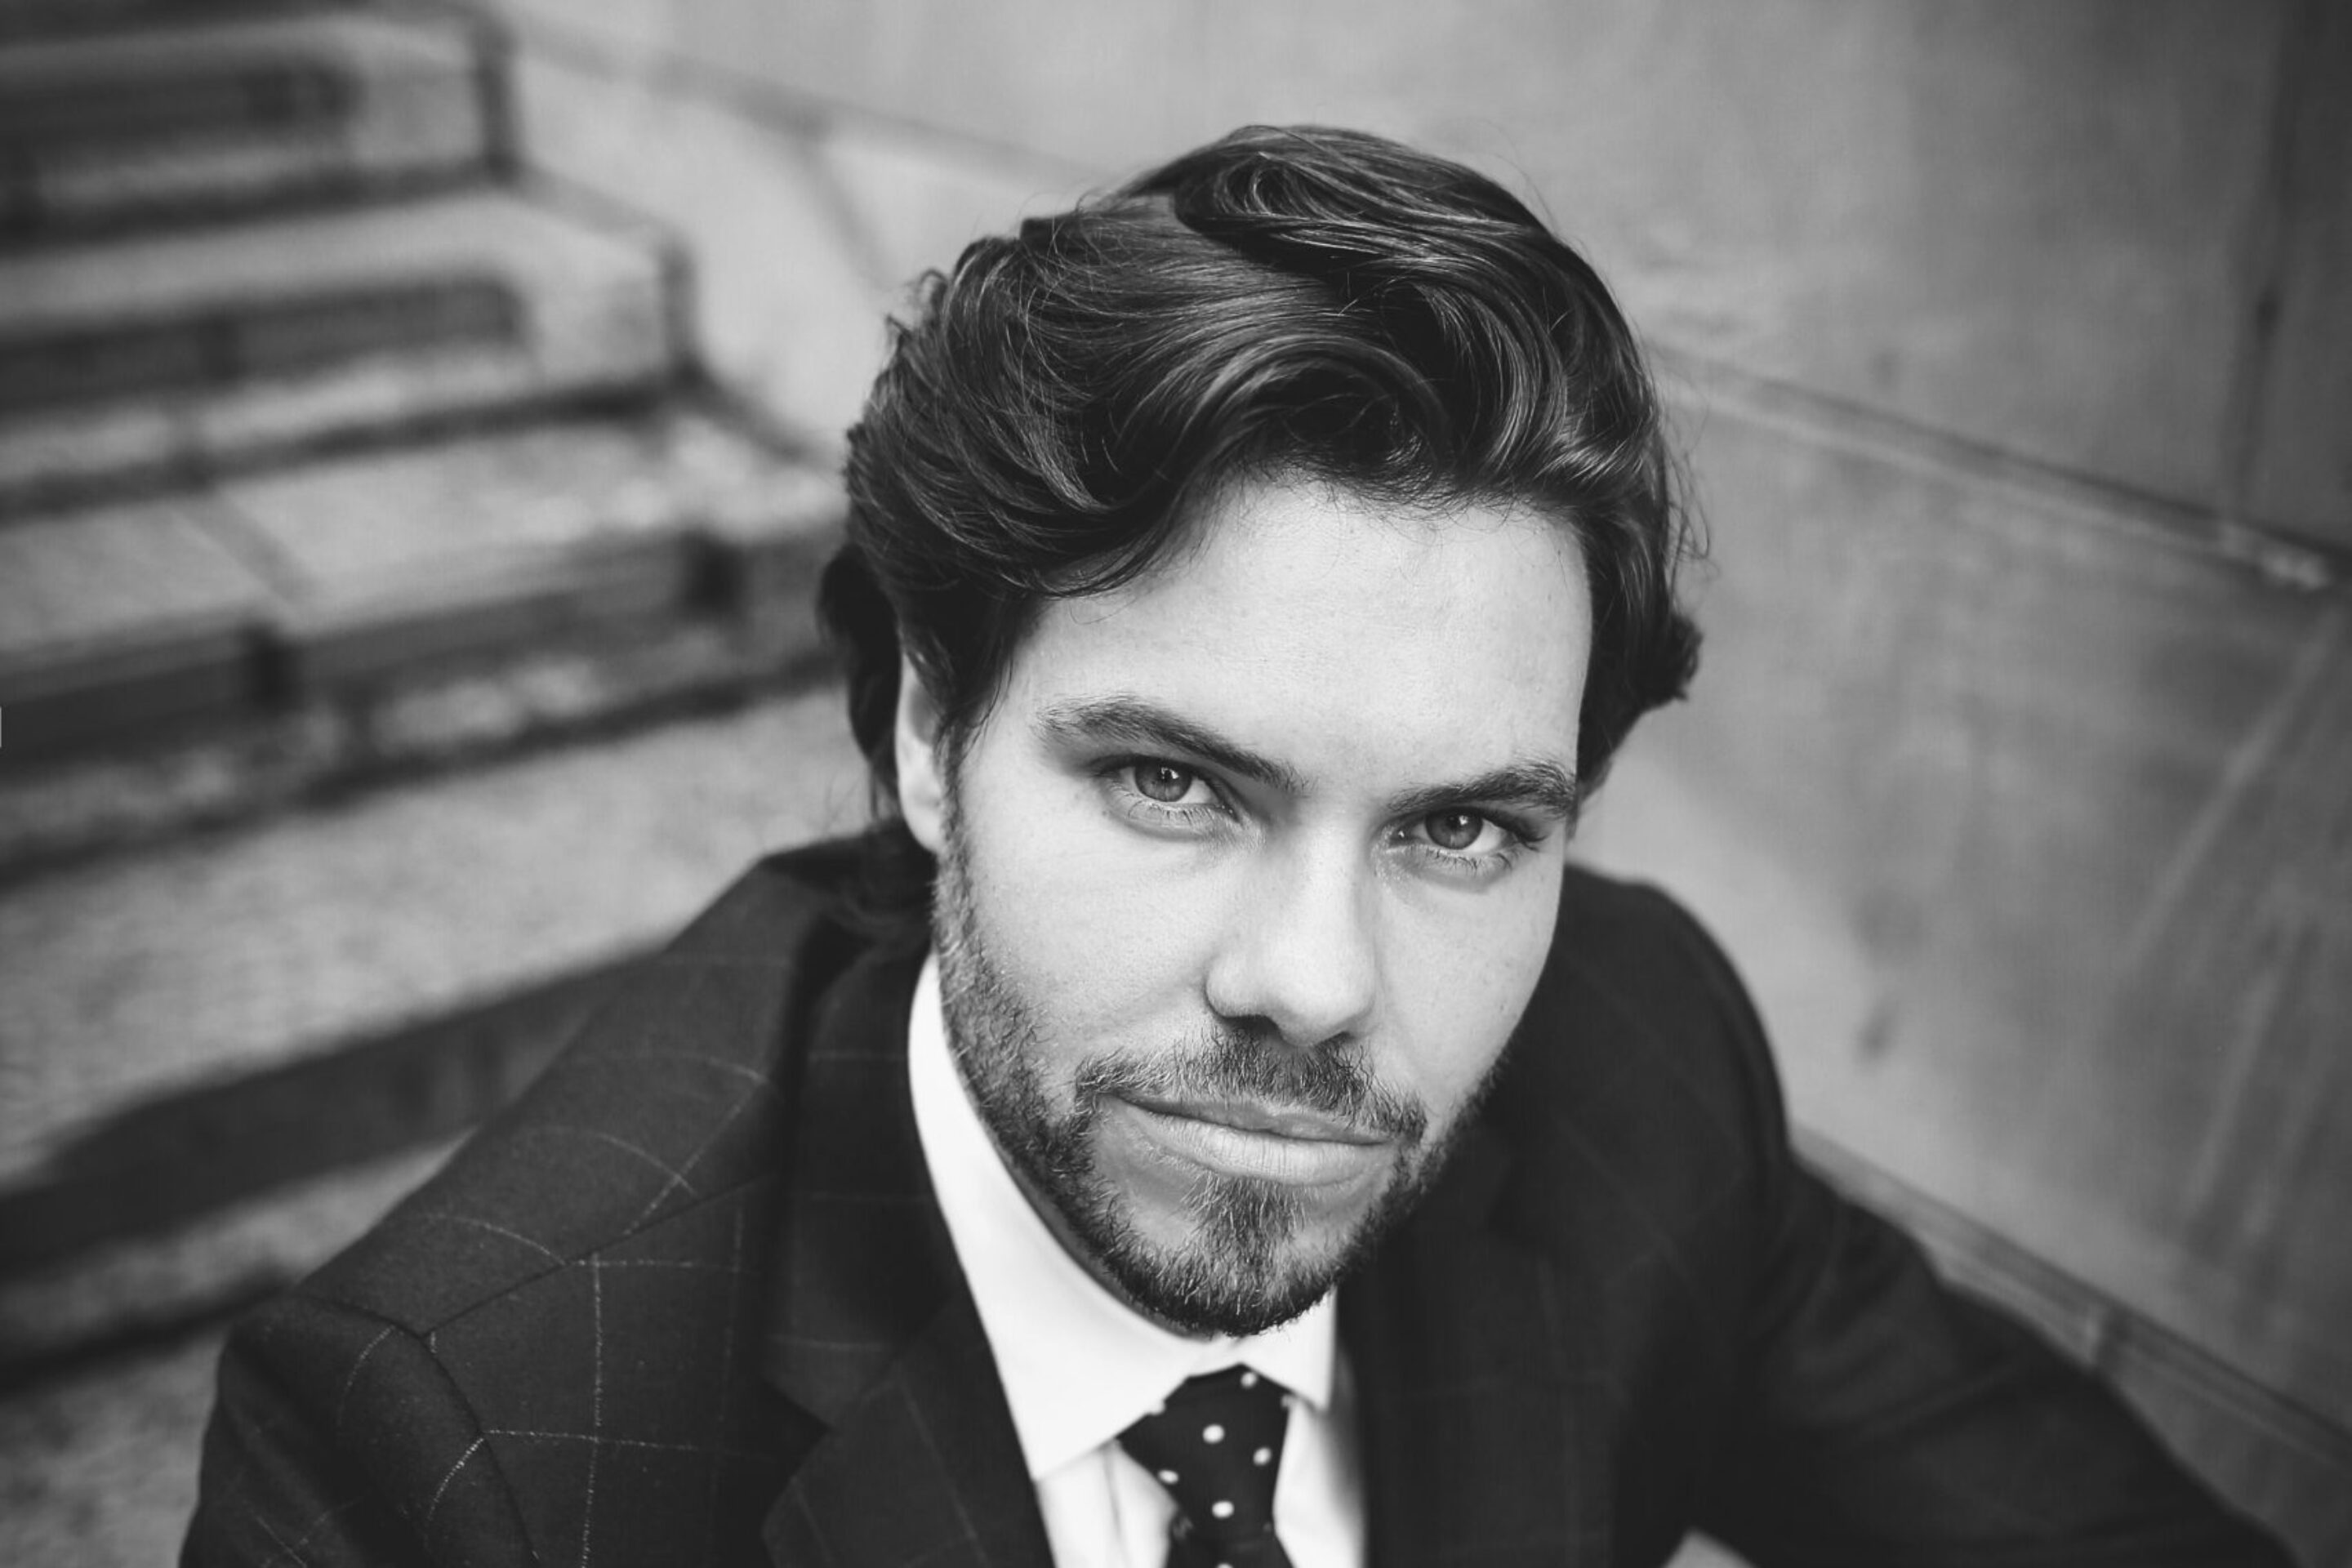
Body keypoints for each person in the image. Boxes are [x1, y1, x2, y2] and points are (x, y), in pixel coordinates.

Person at [185, 125, 2293, 1567]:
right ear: (931, 734)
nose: (1316, 980)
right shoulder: (451, 1452)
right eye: (1176, 783)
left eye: (1462, 826)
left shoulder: (1636, 1061)